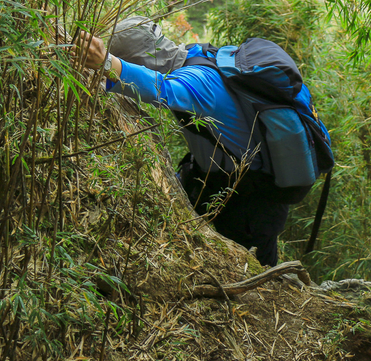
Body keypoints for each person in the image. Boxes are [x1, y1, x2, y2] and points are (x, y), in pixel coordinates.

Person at [75, 16, 293, 266]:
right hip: (217, 183)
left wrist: (107, 64)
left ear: (141, 60)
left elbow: (161, 90)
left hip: (251, 204)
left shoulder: (197, 81)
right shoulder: (196, 53)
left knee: (253, 277)